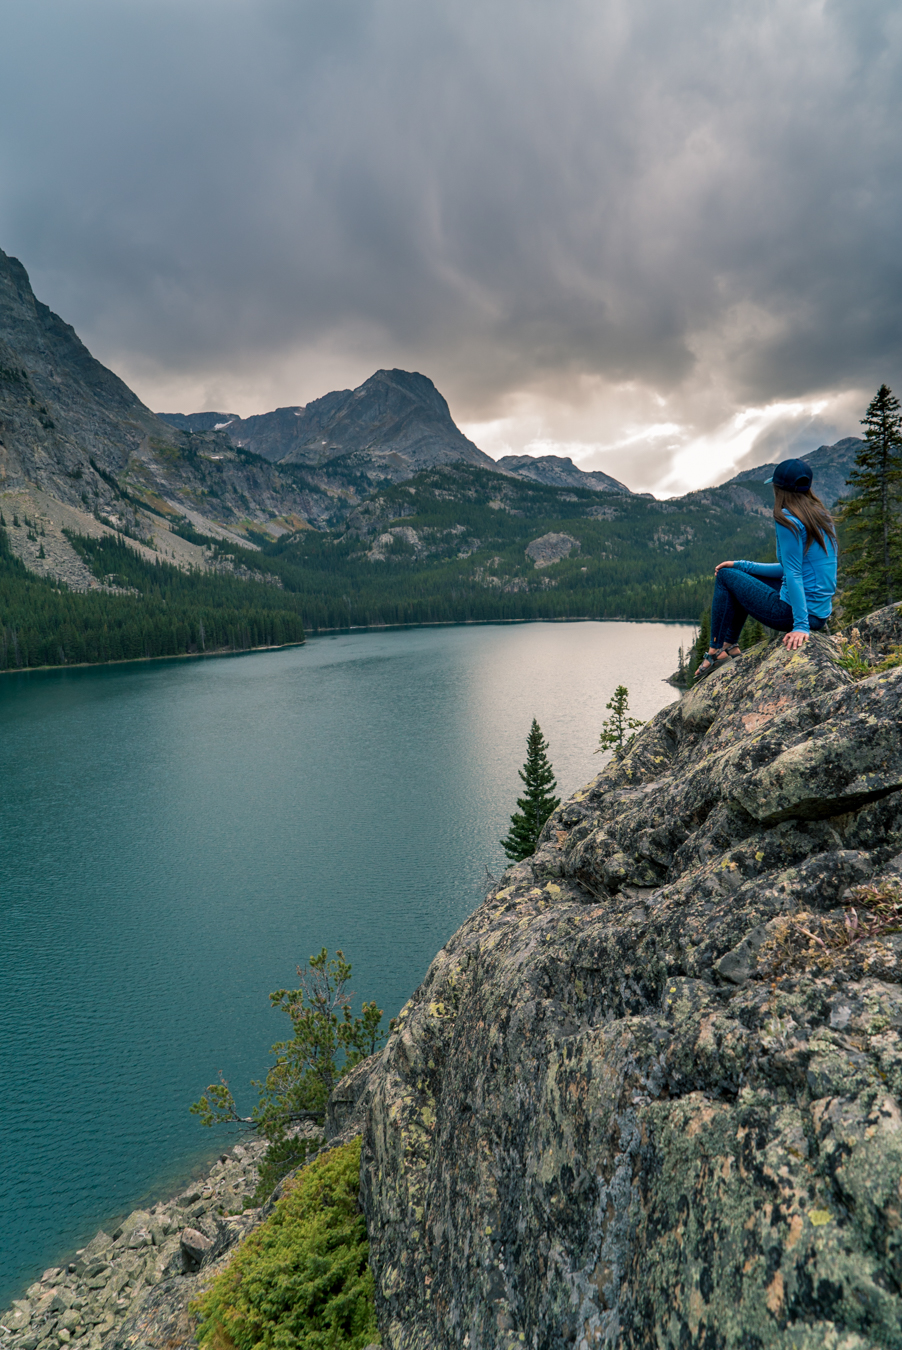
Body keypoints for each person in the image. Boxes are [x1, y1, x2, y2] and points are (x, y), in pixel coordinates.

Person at [695, 457, 838, 678]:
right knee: (736, 573)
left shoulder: (788, 519)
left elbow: (793, 572)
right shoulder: (821, 517)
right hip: (818, 614)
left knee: (724, 576)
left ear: (779, 489)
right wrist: (742, 565)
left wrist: (800, 626)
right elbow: (791, 569)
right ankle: (729, 645)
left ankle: (715, 650)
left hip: (794, 614)